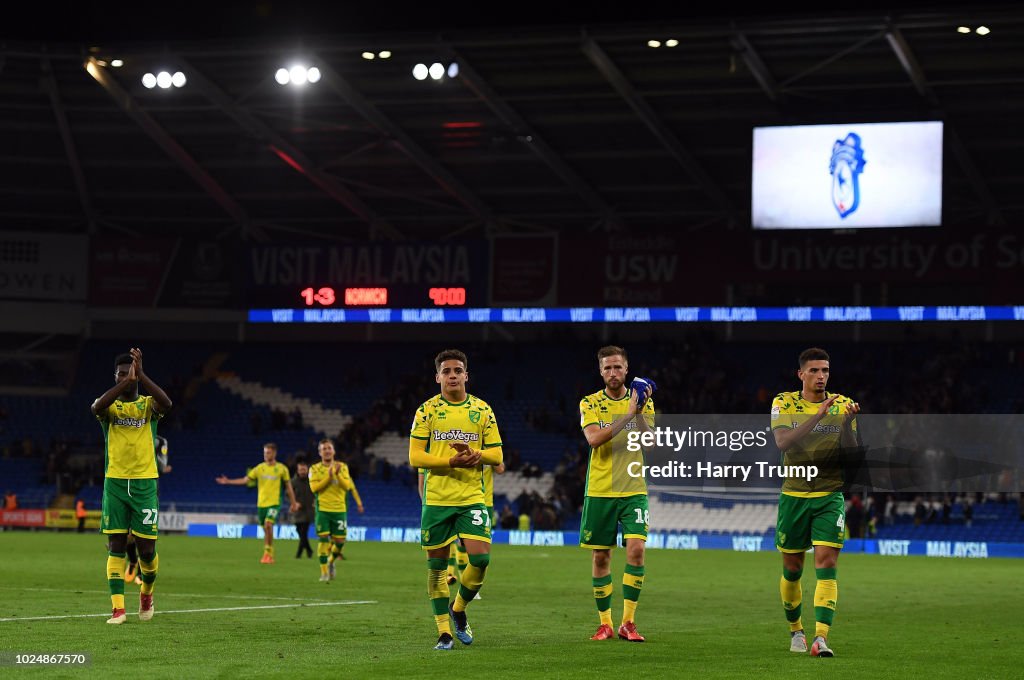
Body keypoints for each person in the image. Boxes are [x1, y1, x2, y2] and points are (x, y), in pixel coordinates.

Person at [409, 348, 503, 650]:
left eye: (457, 370)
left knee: (481, 559)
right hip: (436, 499)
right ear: (437, 377)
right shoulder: (426, 411)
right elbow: (414, 457)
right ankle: (444, 632)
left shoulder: (483, 410)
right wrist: (450, 462)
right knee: (436, 568)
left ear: (466, 375)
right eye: (446, 371)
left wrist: (475, 454)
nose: (452, 375)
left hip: (471, 496)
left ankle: (459, 608)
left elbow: (497, 454)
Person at [771, 347, 859, 658]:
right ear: (801, 374)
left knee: (827, 563)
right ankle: (796, 630)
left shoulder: (842, 405)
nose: (821, 376)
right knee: (793, 569)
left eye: (825, 371)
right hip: (794, 496)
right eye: (814, 371)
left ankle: (821, 637)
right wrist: (819, 416)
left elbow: (852, 456)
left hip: (829, 495)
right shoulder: (784, 402)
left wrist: (846, 425)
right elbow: (783, 442)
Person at [578, 345, 655, 643]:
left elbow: (651, 445)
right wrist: (627, 415)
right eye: (607, 368)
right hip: (600, 490)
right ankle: (605, 623)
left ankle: (628, 622)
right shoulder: (590, 403)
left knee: (637, 549)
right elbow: (595, 439)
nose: (613, 372)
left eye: (618, 367)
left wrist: (639, 412)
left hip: (634, 488)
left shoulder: (643, 403)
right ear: (600, 371)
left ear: (626, 369)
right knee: (601, 557)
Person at [91, 347, 172, 625]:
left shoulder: (148, 407)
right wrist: (127, 382)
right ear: (114, 377)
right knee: (115, 544)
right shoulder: (109, 407)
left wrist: (142, 375)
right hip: (114, 483)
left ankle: (146, 593)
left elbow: (168, 404)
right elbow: (96, 407)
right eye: (120, 374)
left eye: (129, 373)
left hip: (144, 484)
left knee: (146, 550)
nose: (125, 378)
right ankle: (117, 609)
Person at [216, 442, 299, 564]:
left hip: (274, 503)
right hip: (261, 505)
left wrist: (293, 503)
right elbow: (245, 480)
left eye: (268, 452)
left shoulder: (282, 469)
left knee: (268, 524)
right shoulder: (259, 468)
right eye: (265, 452)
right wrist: (228, 481)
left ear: (275, 453)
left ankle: (268, 554)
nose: (266, 455)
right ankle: (268, 551)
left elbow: (288, 487)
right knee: (265, 529)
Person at [309, 439, 363, 581]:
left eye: (329, 448)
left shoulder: (343, 467)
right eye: (324, 449)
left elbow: (347, 486)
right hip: (323, 510)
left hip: (339, 510)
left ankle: (331, 561)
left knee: (340, 542)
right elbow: (314, 488)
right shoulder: (314, 469)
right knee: (323, 540)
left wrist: (337, 474)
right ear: (320, 452)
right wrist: (330, 475)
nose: (327, 451)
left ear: (333, 451)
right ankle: (324, 572)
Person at [126, 435, 172, 585]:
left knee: (143, 534)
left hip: (149, 492)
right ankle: (132, 561)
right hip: (127, 487)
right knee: (127, 534)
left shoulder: (161, 441)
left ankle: (140, 571)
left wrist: (149, 455)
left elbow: (162, 466)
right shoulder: (130, 433)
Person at [291, 459, 316, 559]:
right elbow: (288, 494)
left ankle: (299, 554)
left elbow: (317, 491)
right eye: (301, 469)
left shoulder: (312, 480)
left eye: (304, 469)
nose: (302, 471)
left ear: (307, 470)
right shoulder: (293, 482)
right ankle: (309, 550)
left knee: (303, 532)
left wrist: (315, 501)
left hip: (309, 511)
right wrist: (294, 503)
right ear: (297, 470)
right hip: (298, 510)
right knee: (300, 531)